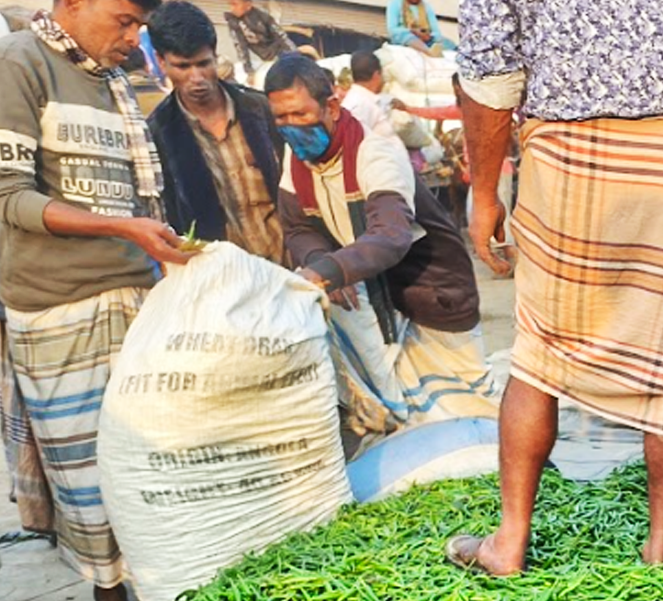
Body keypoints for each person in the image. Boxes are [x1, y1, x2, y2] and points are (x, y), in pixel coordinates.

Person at [447, 0, 663, 576]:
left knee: (539, 352)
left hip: (564, 158)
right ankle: (661, 549)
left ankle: (509, 543)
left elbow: (489, 77)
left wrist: (485, 192)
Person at [1, 0, 191, 601]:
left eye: (140, 25)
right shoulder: (22, 64)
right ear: (72, 4)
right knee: (84, 468)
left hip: (132, 290)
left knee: (148, 451)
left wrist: (158, 250)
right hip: (57, 302)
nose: (134, 38)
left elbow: (142, 194)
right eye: (124, 21)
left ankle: (162, 578)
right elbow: (10, 198)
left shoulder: (118, 84)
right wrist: (120, 226)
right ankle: (110, 592)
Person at [266, 56, 492, 429]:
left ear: (332, 107)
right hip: (375, 295)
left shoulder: (377, 153)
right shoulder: (297, 160)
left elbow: (390, 235)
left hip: (432, 292)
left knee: (468, 412)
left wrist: (326, 273)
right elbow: (296, 227)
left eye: (300, 115)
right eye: (280, 118)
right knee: (402, 415)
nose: (291, 127)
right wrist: (320, 258)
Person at [145, 1, 282, 262]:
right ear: (162, 62)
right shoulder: (158, 134)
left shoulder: (261, 110)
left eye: (203, 64)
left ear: (215, 56)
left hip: (289, 268)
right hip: (222, 279)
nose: (196, 77)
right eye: (183, 67)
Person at [223, 0, 288, 78]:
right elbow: (240, 46)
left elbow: (282, 37)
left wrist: (294, 56)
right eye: (230, 5)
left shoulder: (263, 16)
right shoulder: (233, 22)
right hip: (263, 59)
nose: (232, 8)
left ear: (248, 5)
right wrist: (249, 71)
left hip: (280, 53)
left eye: (235, 4)